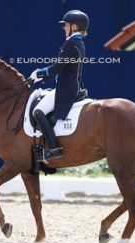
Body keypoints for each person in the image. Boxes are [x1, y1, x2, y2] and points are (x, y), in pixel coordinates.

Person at [29, 10, 89, 163]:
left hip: (66, 89)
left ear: (74, 26)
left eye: (66, 25)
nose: (64, 28)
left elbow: (57, 68)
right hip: (71, 86)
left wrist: (39, 74)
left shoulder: (71, 43)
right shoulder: (79, 42)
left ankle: (53, 148)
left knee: (38, 111)